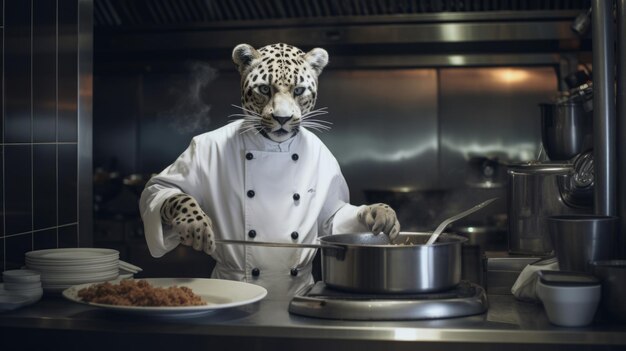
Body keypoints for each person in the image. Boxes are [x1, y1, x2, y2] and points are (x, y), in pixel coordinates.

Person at [139, 43, 400, 298]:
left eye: (298, 91)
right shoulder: (212, 146)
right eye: (265, 89)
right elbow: (157, 191)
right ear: (243, 78)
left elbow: (331, 219)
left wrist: (366, 215)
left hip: (300, 298)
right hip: (230, 296)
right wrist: (182, 208)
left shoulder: (318, 152)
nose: (282, 111)